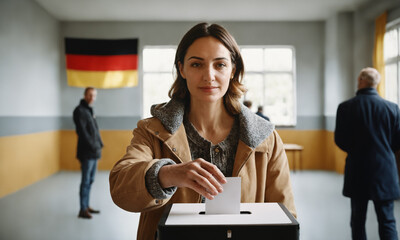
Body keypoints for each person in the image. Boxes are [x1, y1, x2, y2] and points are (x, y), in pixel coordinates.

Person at [109, 22, 296, 240]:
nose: (209, 76)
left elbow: (285, 220)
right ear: (182, 69)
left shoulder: (267, 138)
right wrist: (167, 174)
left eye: (220, 65)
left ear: (232, 70)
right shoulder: (152, 131)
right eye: (197, 64)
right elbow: (121, 190)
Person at [335, 67, 400, 240]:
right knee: (387, 221)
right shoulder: (392, 108)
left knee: (358, 220)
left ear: (361, 80)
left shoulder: (345, 108)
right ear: (376, 83)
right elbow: (397, 141)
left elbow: (340, 140)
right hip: (385, 170)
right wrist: (384, 151)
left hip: (358, 170)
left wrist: (357, 150)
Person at [73, 87, 103, 219]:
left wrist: (100, 145)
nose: (92, 97)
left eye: (94, 95)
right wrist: (94, 146)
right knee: (85, 181)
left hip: (94, 151)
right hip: (87, 153)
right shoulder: (79, 110)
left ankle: (86, 206)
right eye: (90, 95)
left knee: (90, 180)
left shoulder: (89, 110)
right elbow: (82, 133)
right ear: (85, 95)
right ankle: (82, 209)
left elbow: (95, 131)